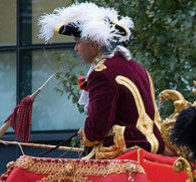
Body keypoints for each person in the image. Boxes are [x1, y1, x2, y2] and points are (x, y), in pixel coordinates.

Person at [39, 3, 170, 159]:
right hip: (152, 148)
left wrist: (84, 134)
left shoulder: (102, 73)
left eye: (78, 42)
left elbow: (97, 128)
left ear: (94, 44)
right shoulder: (138, 68)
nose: (76, 48)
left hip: (121, 152)